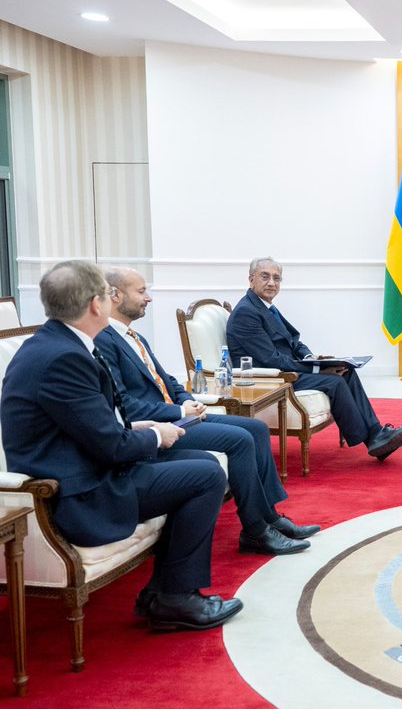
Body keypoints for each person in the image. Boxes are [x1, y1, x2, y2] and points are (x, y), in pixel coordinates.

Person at [0, 261, 241, 631]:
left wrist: (138, 426)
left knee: (200, 459)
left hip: (89, 466)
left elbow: (89, 424)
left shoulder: (60, 344)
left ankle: (161, 593)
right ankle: (176, 599)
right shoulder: (64, 357)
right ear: (97, 304)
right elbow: (110, 447)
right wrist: (157, 436)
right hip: (79, 492)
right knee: (206, 474)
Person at [96, 267, 318, 558]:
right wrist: (177, 409)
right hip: (157, 427)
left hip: (181, 414)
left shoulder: (134, 337)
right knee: (240, 440)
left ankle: (270, 517)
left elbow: (167, 380)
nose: (148, 298)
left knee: (256, 429)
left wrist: (188, 400)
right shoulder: (104, 340)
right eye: (141, 291)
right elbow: (123, 403)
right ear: (115, 295)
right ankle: (255, 531)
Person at [226, 257, 402, 460]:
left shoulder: (265, 307)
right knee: (335, 382)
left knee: (346, 370)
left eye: (277, 278)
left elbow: (293, 341)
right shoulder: (247, 312)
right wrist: (317, 369)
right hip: (271, 380)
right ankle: (373, 439)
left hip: (287, 371)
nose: (272, 282)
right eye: (265, 276)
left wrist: (311, 358)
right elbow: (271, 359)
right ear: (251, 279)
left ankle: (376, 434)